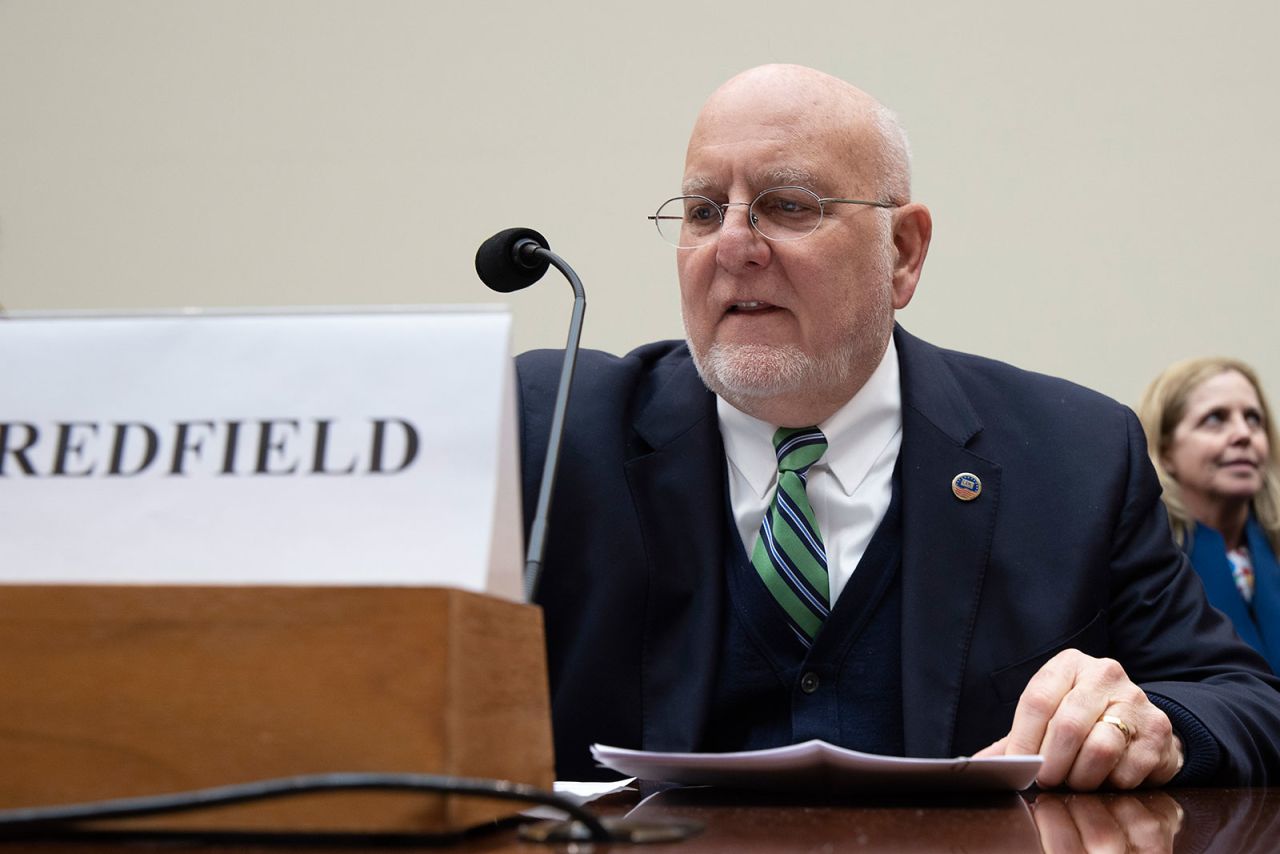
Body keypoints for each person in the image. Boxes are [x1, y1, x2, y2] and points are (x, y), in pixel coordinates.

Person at [515, 64, 1280, 789]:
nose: (733, 248)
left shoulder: (1075, 456)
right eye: (705, 211)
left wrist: (1154, 727)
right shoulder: (552, 434)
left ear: (904, 253)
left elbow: (1246, 701)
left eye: (789, 206)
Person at [1138, 358, 1280, 673]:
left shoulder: (1270, 551)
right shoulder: (1146, 567)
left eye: (1253, 419)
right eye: (1216, 419)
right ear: (1166, 451)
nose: (1244, 434)